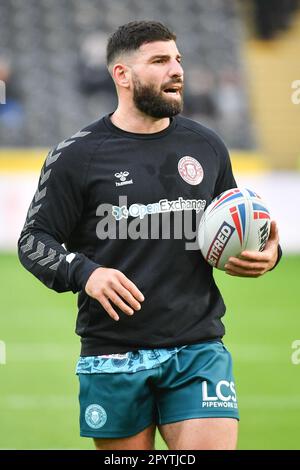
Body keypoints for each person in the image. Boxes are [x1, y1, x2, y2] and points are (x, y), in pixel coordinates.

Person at [18, 21, 281, 450]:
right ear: (122, 75)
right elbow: (34, 240)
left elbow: (242, 224)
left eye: (177, 59)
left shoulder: (207, 146)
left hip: (198, 349)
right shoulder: (76, 155)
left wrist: (268, 250)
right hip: (112, 353)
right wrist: (84, 273)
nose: (176, 69)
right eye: (160, 61)